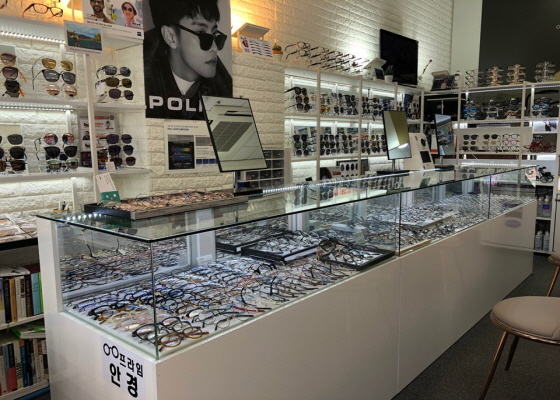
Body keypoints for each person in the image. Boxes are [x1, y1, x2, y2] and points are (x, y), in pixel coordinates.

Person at [144, 0, 232, 119]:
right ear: (170, 37)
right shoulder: (141, 82)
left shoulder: (223, 89)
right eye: (201, 33)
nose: (215, 48)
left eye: (215, 34)